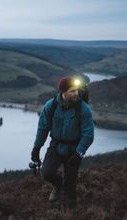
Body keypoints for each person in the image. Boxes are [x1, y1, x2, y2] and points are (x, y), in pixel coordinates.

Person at [31, 76, 94, 208]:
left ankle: (70, 218)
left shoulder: (83, 108)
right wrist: (36, 148)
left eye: (77, 90)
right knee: (47, 173)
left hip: (74, 149)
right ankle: (58, 186)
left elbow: (88, 134)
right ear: (63, 92)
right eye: (72, 91)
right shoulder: (51, 106)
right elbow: (43, 128)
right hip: (56, 146)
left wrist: (79, 153)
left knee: (70, 187)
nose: (76, 93)